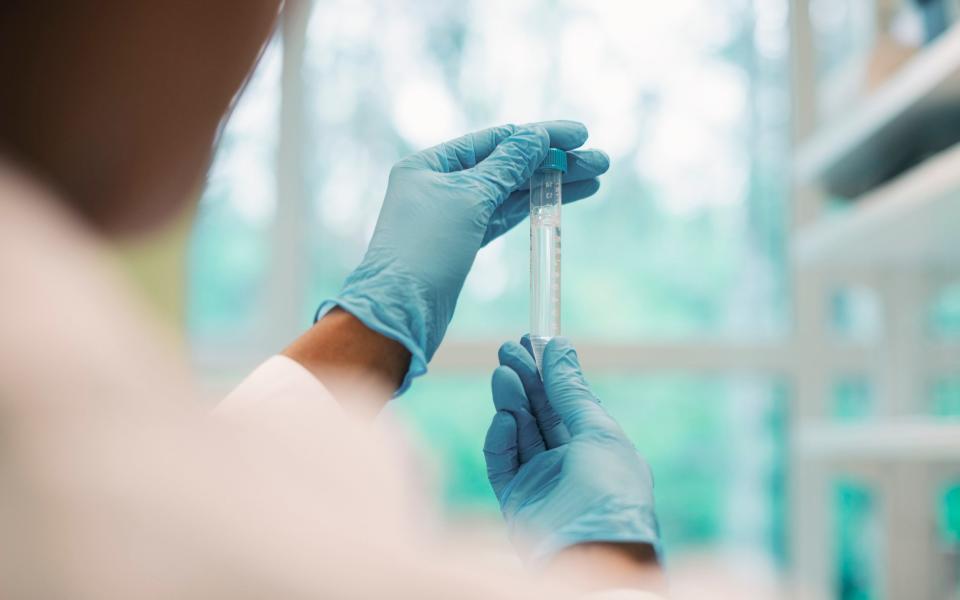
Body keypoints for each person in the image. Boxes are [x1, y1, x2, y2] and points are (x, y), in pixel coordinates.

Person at [0, 2, 662, 598]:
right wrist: (607, 554)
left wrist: (371, 327)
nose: (268, 30)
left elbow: (200, 495)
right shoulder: (42, 410)